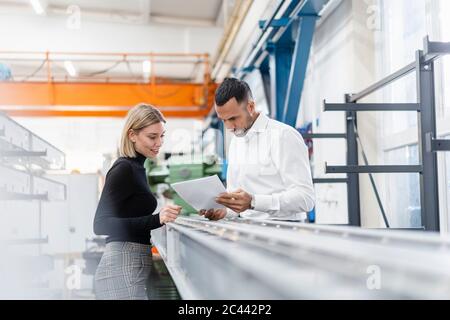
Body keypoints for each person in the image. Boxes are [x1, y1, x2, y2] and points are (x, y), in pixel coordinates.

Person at [93, 103, 181, 300]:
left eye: (161, 136)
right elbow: (100, 224)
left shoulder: (138, 169)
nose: (159, 142)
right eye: (152, 137)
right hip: (120, 266)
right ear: (132, 135)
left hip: (131, 264)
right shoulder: (123, 169)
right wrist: (156, 219)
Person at [200, 78, 315, 221]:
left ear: (250, 107)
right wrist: (224, 211)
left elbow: (306, 198)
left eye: (233, 118)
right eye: (223, 120)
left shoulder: (283, 136)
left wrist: (254, 202)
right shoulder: (236, 142)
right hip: (248, 228)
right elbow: (235, 199)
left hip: (285, 229)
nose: (229, 127)